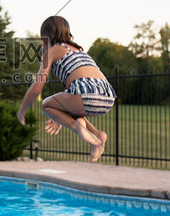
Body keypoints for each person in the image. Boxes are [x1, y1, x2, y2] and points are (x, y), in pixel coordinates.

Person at [17, 16, 117, 163]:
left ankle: (77, 127)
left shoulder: (51, 52)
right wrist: (61, 115)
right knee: (66, 107)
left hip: (85, 94)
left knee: (46, 104)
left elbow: (37, 86)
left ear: (45, 38)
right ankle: (97, 134)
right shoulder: (80, 50)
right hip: (108, 96)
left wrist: (22, 109)